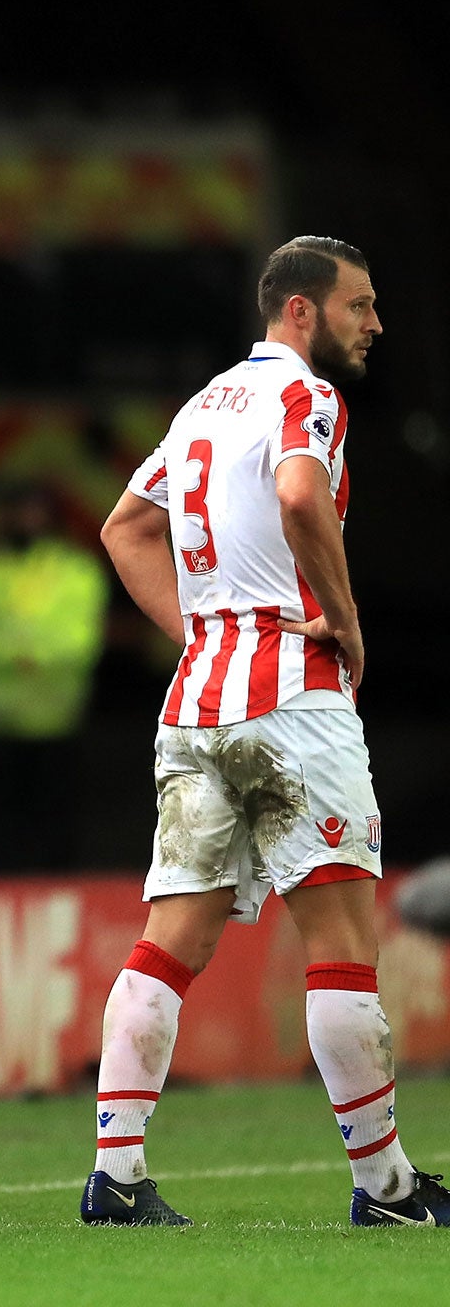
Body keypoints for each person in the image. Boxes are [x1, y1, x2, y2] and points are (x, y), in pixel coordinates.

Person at [82, 236, 449, 1227]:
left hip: (197, 701)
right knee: (337, 940)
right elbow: (295, 496)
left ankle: (114, 1176)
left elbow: (122, 526)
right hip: (290, 698)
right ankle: (383, 1189)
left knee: (171, 939)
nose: (373, 325)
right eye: (358, 307)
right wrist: (342, 616)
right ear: (299, 312)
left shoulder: (201, 406)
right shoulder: (308, 400)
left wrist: (202, 633)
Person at [0, 485, 109, 871]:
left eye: (37, 512)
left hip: (55, 718)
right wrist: (20, 656)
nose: (29, 521)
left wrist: (24, 656)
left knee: (53, 816)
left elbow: (83, 638)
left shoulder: (77, 570)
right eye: (21, 510)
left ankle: (54, 880)